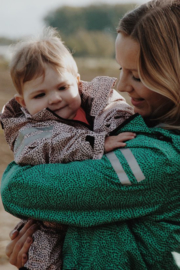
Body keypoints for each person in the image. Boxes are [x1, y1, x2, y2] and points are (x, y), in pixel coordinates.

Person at [1, 0, 180, 269]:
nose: (120, 85)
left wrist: (16, 173)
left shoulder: (159, 161)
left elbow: (18, 191)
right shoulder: (139, 126)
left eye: (139, 75)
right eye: (121, 69)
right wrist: (36, 249)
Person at [0, 28, 134, 270]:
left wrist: (119, 126)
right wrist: (96, 144)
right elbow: (45, 148)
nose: (54, 99)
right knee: (39, 257)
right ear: (23, 102)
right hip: (50, 220)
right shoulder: (28, 129)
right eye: (40, 94)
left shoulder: (102, 103)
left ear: (78, 83)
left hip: (95, 212)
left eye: (62, 87)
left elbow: (123, 114)